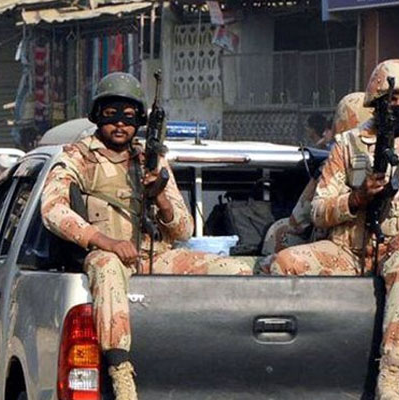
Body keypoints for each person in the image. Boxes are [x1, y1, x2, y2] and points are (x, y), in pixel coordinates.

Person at [41, 72, 253, 400]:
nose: (120, 124)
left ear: (139, 121)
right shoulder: (79, 157)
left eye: (128, 117)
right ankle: (121, 371)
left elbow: (183, 230)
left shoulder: (149, 159)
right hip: (105, 254)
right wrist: (107, 243)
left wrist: (160, 196)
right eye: (111, 114)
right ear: (98, 116)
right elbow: (53, 209)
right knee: (106, 267)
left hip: (152, 255)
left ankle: (239, 361)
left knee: (234, 270)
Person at [270, 59, 399, 399]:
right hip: (349, 250)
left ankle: (389, 381)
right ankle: (295, 371)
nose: (397, 106)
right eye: (390, 100)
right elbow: (317, 209)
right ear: (375, 102)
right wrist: (356, 199)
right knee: (286, 263)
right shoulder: (348, 145)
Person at [261, 92, 373, 259]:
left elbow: (298, 220)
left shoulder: (332, 164)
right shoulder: (396, 160)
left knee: (278, 231)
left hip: (338, 253)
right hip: (378, 252)